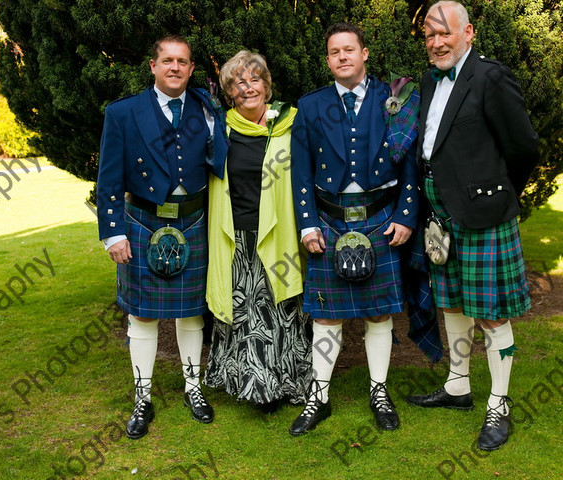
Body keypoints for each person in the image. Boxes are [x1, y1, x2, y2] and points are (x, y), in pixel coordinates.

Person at [407, 1, 539, 451]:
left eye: (445, 33)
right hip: (440, 216)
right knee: (453, 304)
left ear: (469, 33)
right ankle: (458, 386)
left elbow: (523, 147)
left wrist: (498, 195)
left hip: (483, 215)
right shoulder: (428, 79)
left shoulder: (490, 77)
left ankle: (499, 405)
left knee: (491, 313)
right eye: (429, 35)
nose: (437, 42)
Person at [289, 22, 421, 435]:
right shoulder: (310, 106)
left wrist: (405, 214)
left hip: (381, 217)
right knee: (326, 317)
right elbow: (301, 172)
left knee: (379, 314)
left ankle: (379, 391)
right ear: (328, 60)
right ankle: (320, 395)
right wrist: (307, 223)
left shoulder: (395, 97)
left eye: (349, 49)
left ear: (365, 54)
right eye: (334, 52)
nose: (342, 56)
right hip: (329, 219)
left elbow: (412, 163)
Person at [97, 34, 228, 439]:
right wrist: (113, 233)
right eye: (167, 60)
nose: (175, 67)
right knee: (142, 314)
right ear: (153, 66)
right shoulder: (123, 113)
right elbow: (109, 180)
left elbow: (220, 158)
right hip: (142, 222)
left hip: (192, 221)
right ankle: (142, 397)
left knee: (191, 312)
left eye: (183, 61)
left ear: (191, 69)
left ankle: (193, 388)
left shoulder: (205, 109)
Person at [204, 51, 311, 412]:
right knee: (245, 313)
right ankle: (254, 386)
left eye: (254, 79)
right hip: (235, 236)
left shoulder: (291, 124)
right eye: (238, 82)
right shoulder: (221, 129)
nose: (247, 88)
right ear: (230, 92)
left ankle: (288, 381)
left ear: (267, 85)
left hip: (279, 234)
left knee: (278, 310)